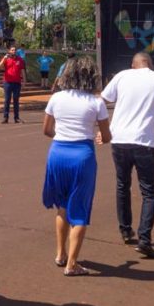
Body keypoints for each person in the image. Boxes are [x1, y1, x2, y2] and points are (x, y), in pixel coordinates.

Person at [100, 52, 154, 259]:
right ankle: (145, 239)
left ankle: (126, 230)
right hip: (144, 142)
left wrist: (102, 130)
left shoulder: (121, 76)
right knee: (148, 192)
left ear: (133, 64)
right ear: (151, 64)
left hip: (119, 139)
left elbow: (103, 100)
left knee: (122, 185)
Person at [42, 57, 111, 276]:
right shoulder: (96, 102)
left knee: (62, 205)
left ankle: (60, 254)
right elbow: (106, 136)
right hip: (82, 155)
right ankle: (72, 264)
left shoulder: (57, 98)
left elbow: (46, 130)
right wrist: (97, 136)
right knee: (80, 211)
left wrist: (63, 137)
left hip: (58, 152)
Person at [0, 46, 25, 123]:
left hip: (17, 82)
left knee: (16, 100)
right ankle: (5, 117)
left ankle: (16, 118)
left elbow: (22, 70)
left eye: (15, 50)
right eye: (12, 50)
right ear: (9, 51)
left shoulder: (20, 59)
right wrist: (4, 59)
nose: (14, 51)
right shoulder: (6, 59)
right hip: (7, 82)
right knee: (7, 100)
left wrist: (24, 81)